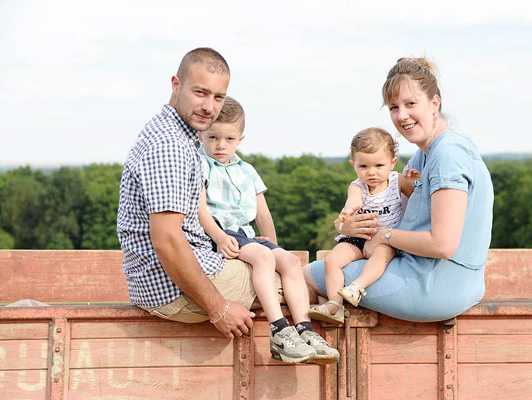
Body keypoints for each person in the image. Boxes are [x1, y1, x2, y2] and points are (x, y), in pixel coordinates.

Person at [303, 57, 494, 322]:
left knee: (310, 276)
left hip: (435, 284)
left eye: (411, 104)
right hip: (433, 274)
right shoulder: (424, 155)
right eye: (394, 107)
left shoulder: (448, 154)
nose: (401, 116)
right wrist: (348, 228)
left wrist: (385, 236)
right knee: (336, 275)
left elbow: (444, 244)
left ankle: (318, 358)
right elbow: (395, 213)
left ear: (434, 103)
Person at [117, 47, 257, 341]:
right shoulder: (170, 146)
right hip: (172, 289)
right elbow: (167, 239)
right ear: (176, 84)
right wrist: (218, 308)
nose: (209, 106)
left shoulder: (173, 133)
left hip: (168, 277)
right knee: (301, 283)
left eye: (218, 97)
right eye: (200, 93)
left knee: (269, 260)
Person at [197, 96, 339, 364]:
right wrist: (218, 237)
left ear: (240, 138)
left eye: (228, 139)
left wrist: (273, 244)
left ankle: (305, 330)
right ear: (202, 134)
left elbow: (262, 212)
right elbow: (200, 209)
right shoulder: (201, 165)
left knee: (288, 261)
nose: (219, 145)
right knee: (263, 258)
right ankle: (278, 329)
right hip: (221, 232)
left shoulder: (247, 171)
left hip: (246, 233)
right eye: (213, 137)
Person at [308, 128, 419, 324]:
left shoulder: (397, 181)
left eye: (379, 165)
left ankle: (357, 287)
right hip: (358, 238)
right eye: (364, 166)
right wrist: (350, 209)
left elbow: (418, 198)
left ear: (392, 163)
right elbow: (354, 199)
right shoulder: (357, 185)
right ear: (354, 165)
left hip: (386, 239)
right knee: (331, 261)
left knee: (382, 257)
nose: (372, 172)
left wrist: (414, 182)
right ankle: (335, 303)